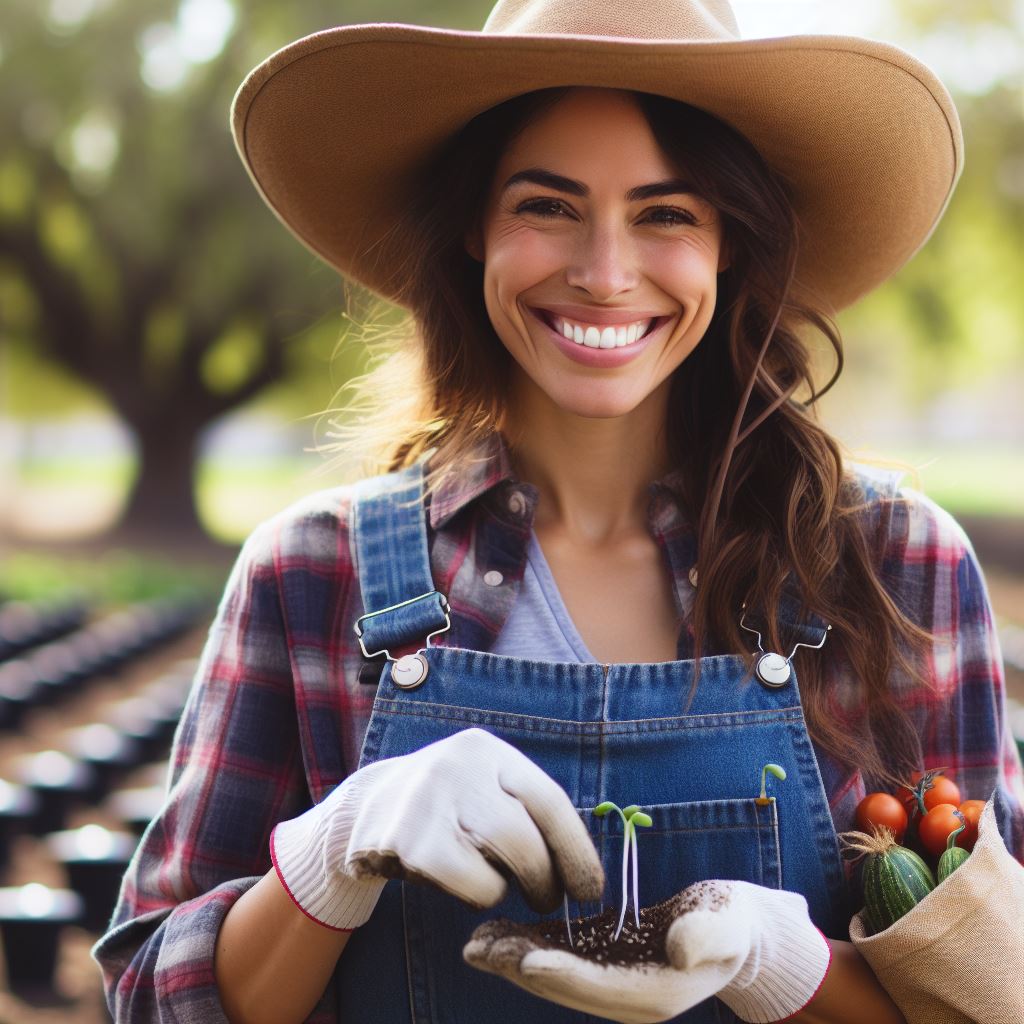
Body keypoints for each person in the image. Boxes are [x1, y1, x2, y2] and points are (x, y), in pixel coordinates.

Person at [93, 1, 1024, 1022]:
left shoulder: (893, 566)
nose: (604, 271)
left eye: (666, 213)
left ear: (729, 244)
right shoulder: (313, 576)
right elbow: (150, 998)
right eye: (547, 205)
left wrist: (778, 963)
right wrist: (326, 860)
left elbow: (993, 995)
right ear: (473, 226)